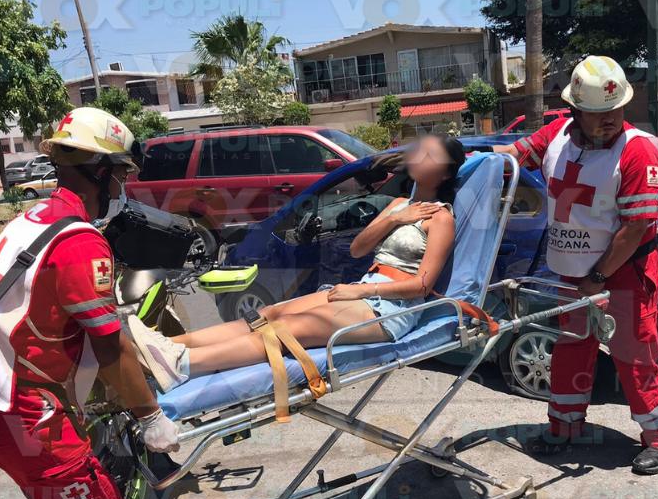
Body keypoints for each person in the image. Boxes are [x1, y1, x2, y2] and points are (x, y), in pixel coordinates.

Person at [0, 107, 179, 499]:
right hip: (31, 411)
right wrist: (151, 418)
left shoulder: (34, 218)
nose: (122, 187)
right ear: (99, 171)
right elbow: (110, 347)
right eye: (120, 175)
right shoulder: (79, 242)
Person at [128, 134, 465, 392]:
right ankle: (169, 346)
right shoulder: (399, 204)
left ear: (445, 171)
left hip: (392, 310)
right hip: (365, 291)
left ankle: (183, 365)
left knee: (285, 330)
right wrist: (394, 218)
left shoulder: (440, 218)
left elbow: (423, 284)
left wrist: (359, 293)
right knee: (268, 314)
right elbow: (359, 250)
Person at [493, 55, 658, 475]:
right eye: (599, 113)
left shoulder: (639, 150)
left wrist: (597, 279)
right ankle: (564, 428)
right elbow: (509, 157)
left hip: (623, 271)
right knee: (571, 351)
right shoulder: (557, 135)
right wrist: (461, 163)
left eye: (616, 110)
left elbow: (635, 228)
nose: (610, 120)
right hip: (573, 275)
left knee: (633, 355)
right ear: (577, 111)